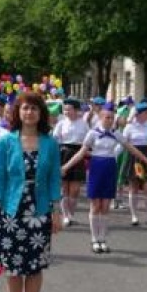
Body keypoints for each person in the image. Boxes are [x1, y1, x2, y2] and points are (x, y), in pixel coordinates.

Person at [0, 92, 62, 292]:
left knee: (35, 268)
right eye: (25, 108)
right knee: (14, 268)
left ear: (41, 114)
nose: (30, 113)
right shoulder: (6, 142)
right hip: (11, 212)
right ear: (18, 112)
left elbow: (54, 180)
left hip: (38, 212)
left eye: (35, 109)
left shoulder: (50, 143)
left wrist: (57, 212)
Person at [61, 102, 147, 253]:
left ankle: (102, 239)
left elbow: (132, 149)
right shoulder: (92, 133)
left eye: (112, 118)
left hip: (110, 168)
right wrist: (65, 167)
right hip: (96, 168)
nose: (109, 120)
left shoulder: (116, 134)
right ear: (100, 117)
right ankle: (94, 239)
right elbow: (81, 153)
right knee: (95, 205)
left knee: (105, 206)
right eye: (106, 117)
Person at [121, 102, 147, 226]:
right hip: (133, 158)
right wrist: (112, 155)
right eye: (146, 113)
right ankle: (134, 216)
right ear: (139, 114)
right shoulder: (129, 127)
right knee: (133, 188)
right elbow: (123, 144)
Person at [52, 97, 90, 226]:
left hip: (78, 153)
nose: (66, 111)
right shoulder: (61, 123)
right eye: (65, 109)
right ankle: (66, 215)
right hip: (63, 153)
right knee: (64, 188)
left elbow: (88, 140)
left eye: (69, 109)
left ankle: (71, 213)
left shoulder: (83, 123)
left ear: (76, 110)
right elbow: (55, 139)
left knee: (75, 189)